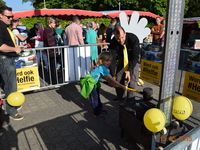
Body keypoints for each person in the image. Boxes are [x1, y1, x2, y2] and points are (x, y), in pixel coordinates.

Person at [80, 51, 127, 119]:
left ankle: (100, 107)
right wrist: (122, 86)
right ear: (102, 60)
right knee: (94, 98)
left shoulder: (104, 67)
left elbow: (105, 76)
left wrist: (109, 81)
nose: (108, 62)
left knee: (97, 96)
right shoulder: (102, 68)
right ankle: (96, 113)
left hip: (95, 82)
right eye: (106, 61)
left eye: (110, 61)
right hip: (90, 82)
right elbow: (112, 79)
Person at [0, 6, 25, 120]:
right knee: (11, 87)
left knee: (8, 85)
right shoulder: (0, 26)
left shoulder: (5, 27)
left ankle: (12, 106)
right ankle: (12, 111)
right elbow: (1, 46)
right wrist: (15, 49)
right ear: (1, 15)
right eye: (8, 16)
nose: (11, 19)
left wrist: (16, 47)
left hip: (7, 59)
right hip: (5, 60)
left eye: (12, 16)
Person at [109, 26, 140, 102]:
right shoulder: (113, 42)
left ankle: (130, 101)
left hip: (133, 58)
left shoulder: (133, 38)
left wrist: (129, 70)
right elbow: (112, 60)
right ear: (115, 37)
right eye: (118, 39)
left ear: (125, 33)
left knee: (132, 81)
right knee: (118, 78)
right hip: (122, 56)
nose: (121, 40)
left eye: (122, 37)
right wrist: (112, 76)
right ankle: (120, 98)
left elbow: (135, 57)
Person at [43, 17, 57, 84]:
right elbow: (49, 42)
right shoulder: (48, 30)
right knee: (53, 67)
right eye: (54, 23)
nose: (55, 24)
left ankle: (53, 81)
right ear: (50, 22)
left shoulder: (49, 29)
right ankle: (53, 82)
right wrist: (56, 49)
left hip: (50, 50)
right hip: (51, 51)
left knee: (52, 66)